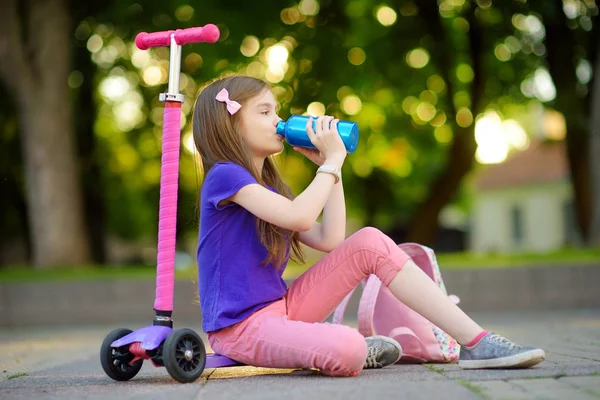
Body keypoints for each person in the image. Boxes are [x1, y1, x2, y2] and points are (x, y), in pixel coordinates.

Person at [193, 74, 545, 377]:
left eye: (277, 110)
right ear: (229, 123)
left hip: (283, 307)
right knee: (347, 348)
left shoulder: (268, 187)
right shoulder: (225, 176)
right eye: (265, 112)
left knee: (370, 241)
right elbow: (301, 217)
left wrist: (333, 168)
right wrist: (329, 163)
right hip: (240, 328)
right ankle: (344, 347)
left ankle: (476, 342)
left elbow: (331, 239)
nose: (278, 120)